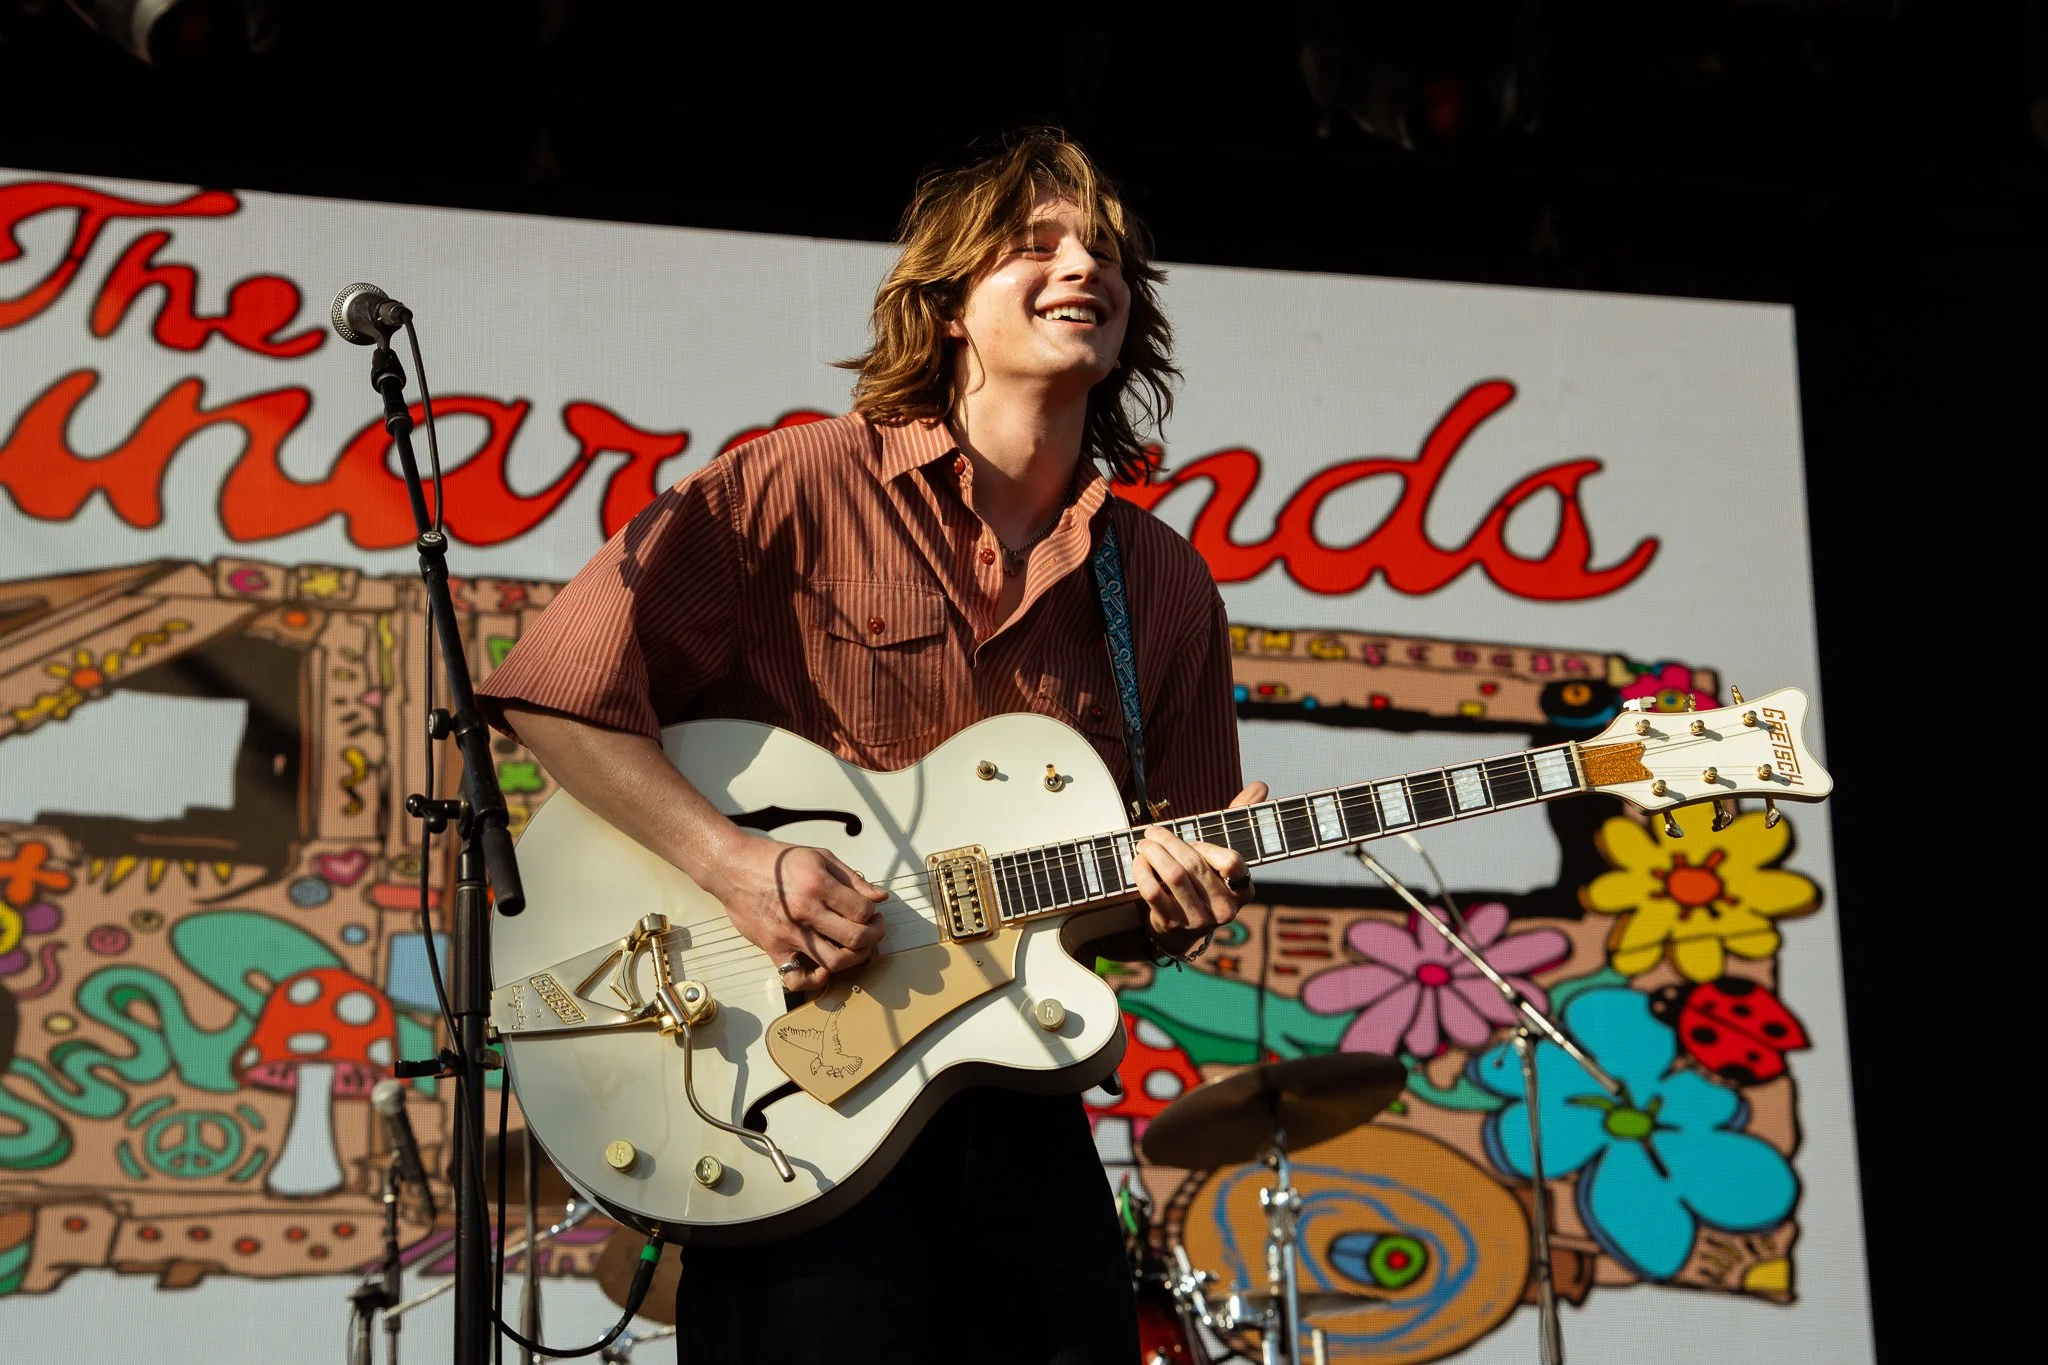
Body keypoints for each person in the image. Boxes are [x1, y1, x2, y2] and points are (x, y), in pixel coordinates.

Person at [478, 131, 1263, 1365]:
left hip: (1020, 1102)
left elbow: (1168, 868)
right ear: (950, 301)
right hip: (790, 1092)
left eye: (1108, 253)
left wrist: (1177, 893)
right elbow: (559, 696)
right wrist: (738, 866)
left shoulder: (1159, 582)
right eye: (1040, 244)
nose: (1086, 268)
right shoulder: (790, 484)